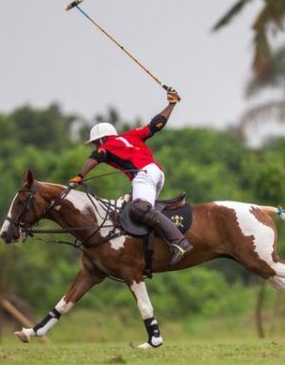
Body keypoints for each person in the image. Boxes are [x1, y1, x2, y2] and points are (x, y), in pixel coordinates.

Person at [68, 88, 193, 265]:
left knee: (139, 209)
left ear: (102, 139)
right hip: (156, 173)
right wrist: (171, 104)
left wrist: (79, 176)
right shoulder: (131, 135)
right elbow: (156, 124)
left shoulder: (107, 145)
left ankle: (179, 242)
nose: (95, 146)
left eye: (96, 142)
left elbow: (95, 158)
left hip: (144, 175)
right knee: (130, 208)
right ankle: (146, 252)